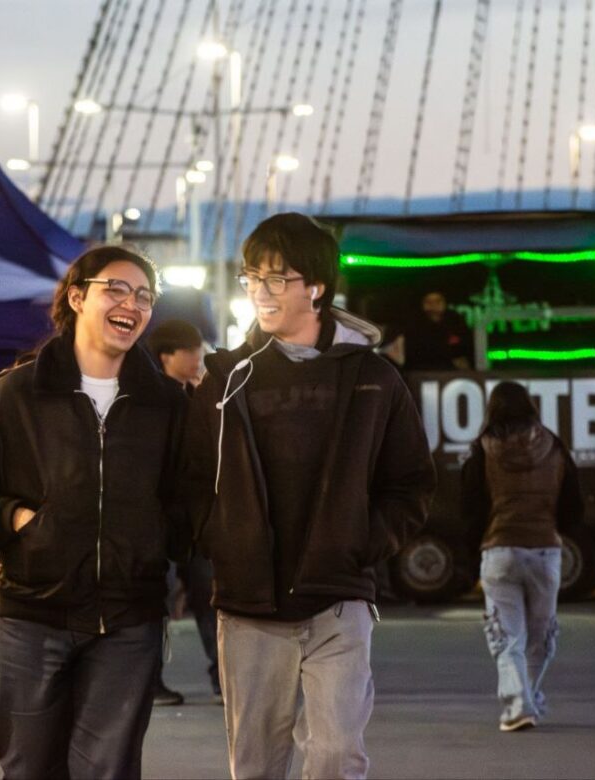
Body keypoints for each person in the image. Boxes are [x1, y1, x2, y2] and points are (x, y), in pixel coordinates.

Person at [183, 213, 436, 779]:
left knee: (337, 753)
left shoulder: (373, 377)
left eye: (276, 279)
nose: (259, 293)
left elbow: (411, 481)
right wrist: (220, 538)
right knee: (256, 765)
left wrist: (364, 542)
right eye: (251, 279)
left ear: (316, 288)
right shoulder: (227, 378)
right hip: (248, 601)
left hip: (339, 596)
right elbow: (192, 479)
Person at [0, 246, 188, 778]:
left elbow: (188, 503)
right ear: (77, 297)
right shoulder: (15, 395)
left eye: (145, 296)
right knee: (29, 766)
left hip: (130, 617)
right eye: (117, 289)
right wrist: (22, 521)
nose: (133, 303)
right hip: (34, 613)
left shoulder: (167, 405)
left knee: (108, 768)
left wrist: (156, 543)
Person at [460, 381, 582, 733]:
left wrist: (473, 553)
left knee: (507, 635)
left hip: (499, 550)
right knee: (541, 635)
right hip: (545, 551)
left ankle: (518, 704)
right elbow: (573, 507)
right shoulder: (554, 446)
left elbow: (470, 509)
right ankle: (527, 699)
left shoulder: (482, 450)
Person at [146, 319, 220, 705]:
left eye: (199, 349)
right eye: (189, 350)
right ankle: (150, 682)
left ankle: (223, 680)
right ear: (165, 357)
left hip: (199, 520)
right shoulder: (152, 402)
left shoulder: (202, 397)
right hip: (162, 519)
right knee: (155, 601)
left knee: (211, 596)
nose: (198, 357)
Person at [400, 290, 473, 371]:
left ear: (445, 303)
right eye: (428, 302)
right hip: (421, 374)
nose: (433, 306)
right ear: (422, 304)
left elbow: (465, 350)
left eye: (438, 301)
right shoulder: (413, 325)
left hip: (452, 375)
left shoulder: (456, 322)